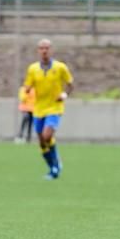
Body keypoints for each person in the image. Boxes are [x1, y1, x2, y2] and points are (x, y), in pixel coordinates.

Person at [22, 39, 73, 180]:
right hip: (38, 109)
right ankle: (53, 167)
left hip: (55, 107)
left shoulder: (60, 67)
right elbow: (27, 85)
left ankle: (55, 165)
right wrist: (26, 90)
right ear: (38, 51)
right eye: (41, 48)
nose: (44, 50)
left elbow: (70, 84)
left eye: (47, 48)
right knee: (42, 142)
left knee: (47, 135)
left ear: (51, 50)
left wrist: (64, 94)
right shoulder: (33, 69)